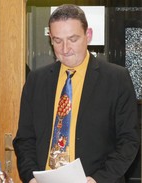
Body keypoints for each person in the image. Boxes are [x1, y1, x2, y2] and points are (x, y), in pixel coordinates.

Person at [13, 4, 140, 183]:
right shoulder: (36, 80)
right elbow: (24, 139)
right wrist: (31, 176)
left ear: (88, 35)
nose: (65, 49)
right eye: (57, 41)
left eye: (72, 39)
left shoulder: (116, 79)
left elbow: (129, 141)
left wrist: (98, 179)